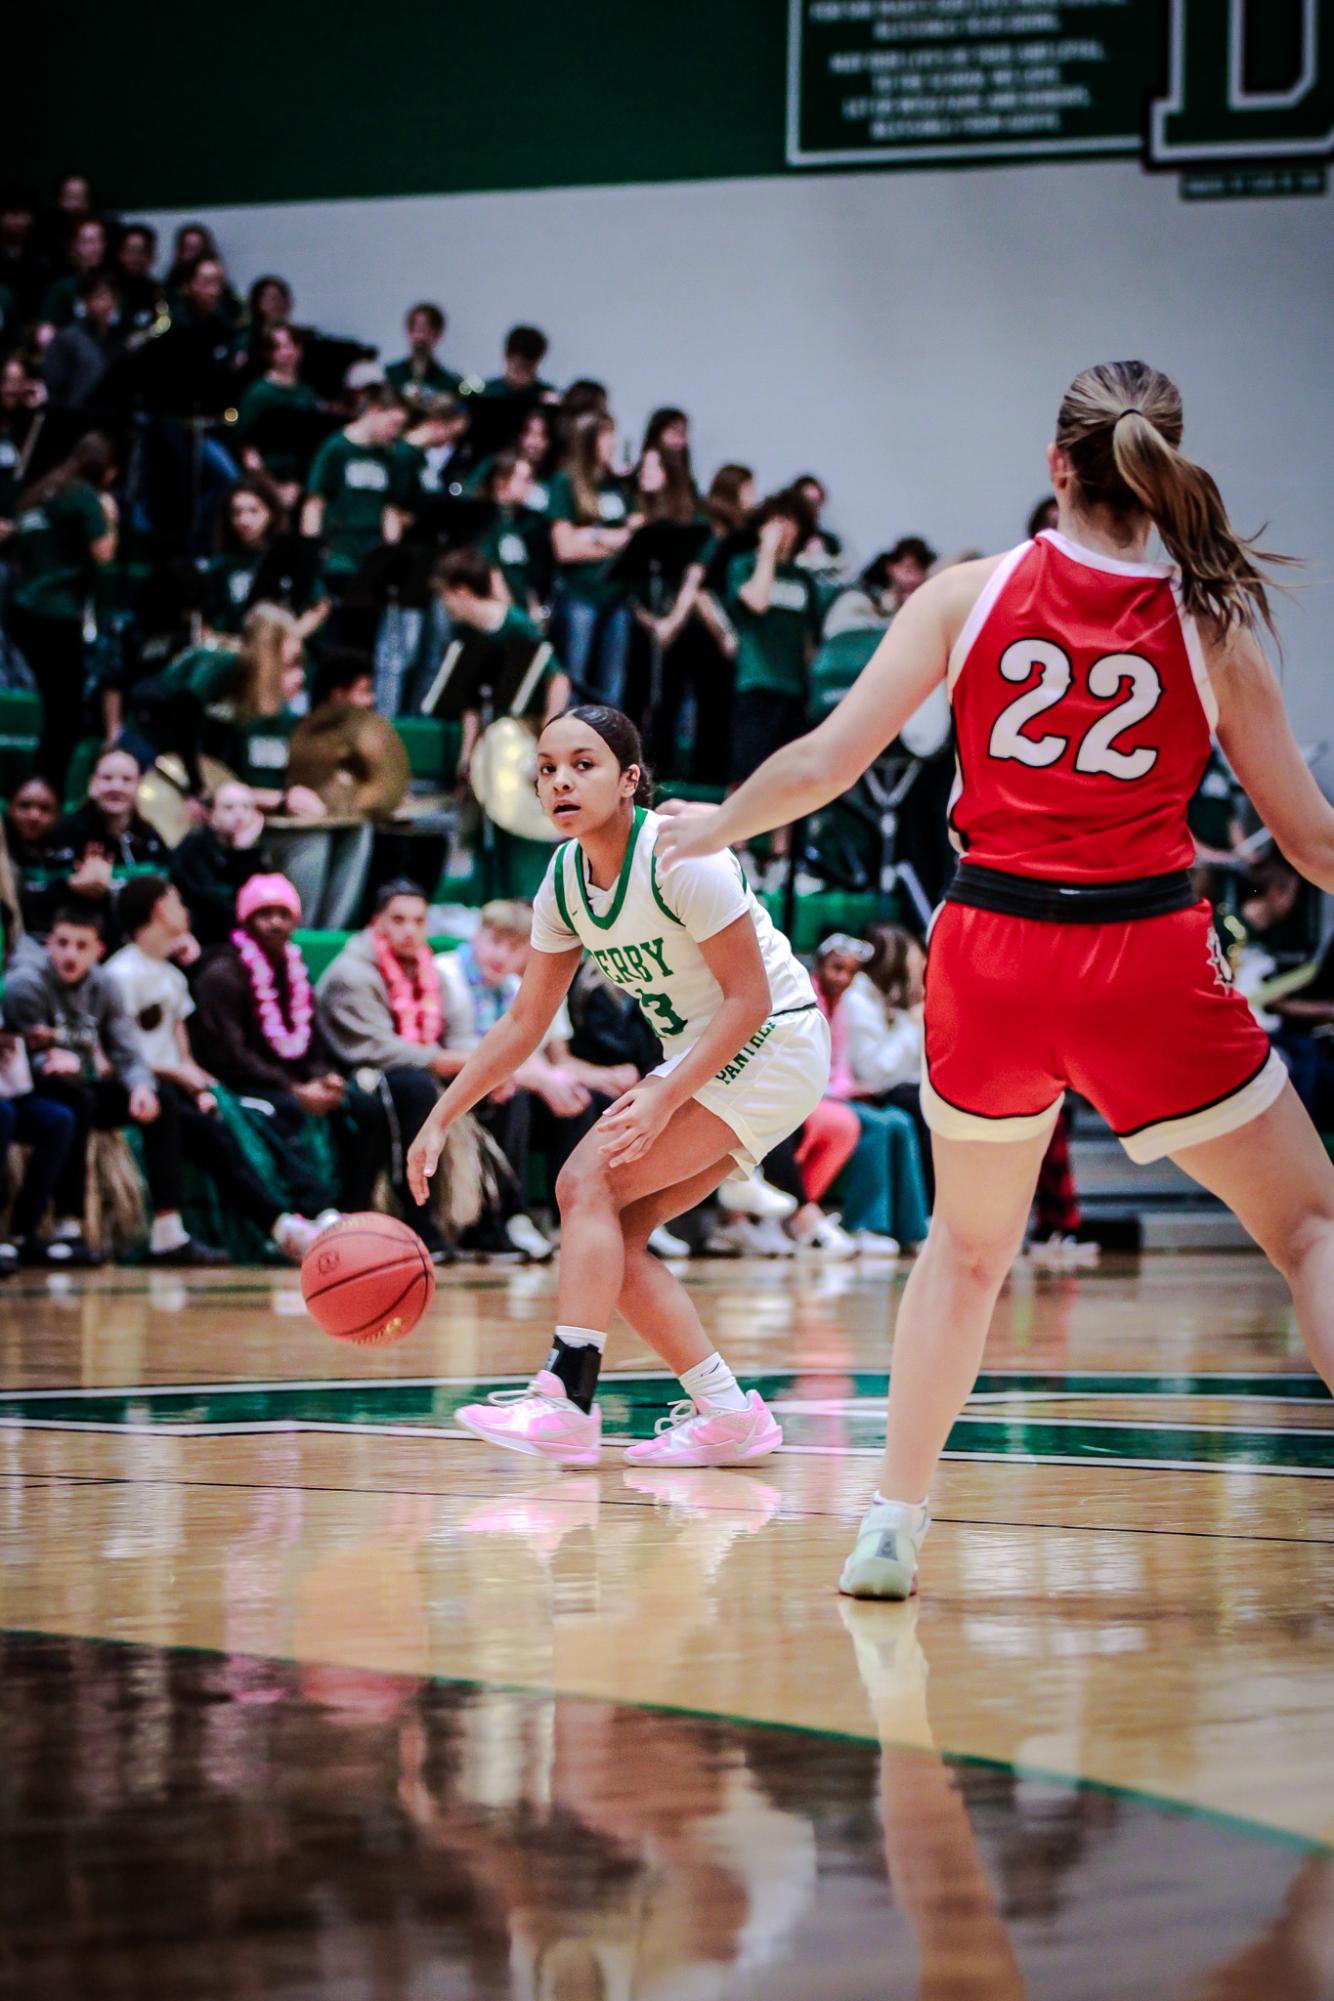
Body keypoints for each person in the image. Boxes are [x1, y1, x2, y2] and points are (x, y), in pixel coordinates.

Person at [656, 356, 1334, 1599]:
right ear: (1158, 469)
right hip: (1144, 949)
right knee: (1308, 1227)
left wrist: (715, 825)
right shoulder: (1211, 620)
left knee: (965, 1255)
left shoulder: (967, 593)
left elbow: (822, 763)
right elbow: (1307, 841)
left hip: (991, 950)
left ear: (1054, 467)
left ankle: (889, 1528)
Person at [406, 703, 830, 1467]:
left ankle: (567, 1398)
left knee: (582, 1181)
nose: (561, 779)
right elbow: (522, 1023)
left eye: (583, 763)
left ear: (631, 778)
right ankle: (728, 1414)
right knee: (616, 1235)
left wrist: (665, 1092)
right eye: (546, 768)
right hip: (714, 1053)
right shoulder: (565, 881)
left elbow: (750, 999)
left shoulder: (680, 854)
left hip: (773, 1035)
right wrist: (443, 1113)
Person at [104, 875, 329, 1263]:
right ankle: (278, 1225)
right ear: (159, 909)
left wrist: (202, 1086)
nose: (184, 908)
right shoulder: (120, 975)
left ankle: (297, 1218)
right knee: (214, 1130)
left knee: (240, 1117)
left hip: (176, 1090)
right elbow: (115, 1057)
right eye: (176, 900)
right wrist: (177, 1076)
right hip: (139, 1089)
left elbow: (183, 1053)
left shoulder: (173, 977)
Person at [2, 905, 212, 1266]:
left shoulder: (105, 986)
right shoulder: (26, 984)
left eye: (81, 946)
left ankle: (167, 1231)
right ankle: (68, 1226)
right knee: (75, 1103)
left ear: (99, 950)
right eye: (63, 943)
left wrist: (141, 1087)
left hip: (79, 1081)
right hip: (32, 1087)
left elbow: (126, 1052)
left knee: (161, 1101)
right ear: (49, 943)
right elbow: (19, 1051)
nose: (70, 954)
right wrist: (54, 1058)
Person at [191, 873, 376, 1222]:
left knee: (363, 1108)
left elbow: (313, 1044)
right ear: (246, 921)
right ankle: (316, 1211)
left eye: (283, 913)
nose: (275, 922)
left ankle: (356, 1208)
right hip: (242, 1084)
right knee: (282, 1108)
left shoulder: (295, 968)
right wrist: (295, 1088)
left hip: (296, 1079)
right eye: (265, 914)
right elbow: (231, 1057)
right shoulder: (222, 974)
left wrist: (325, 1078)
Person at [312, 882, 480, 1260]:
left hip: (418, 1071)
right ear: (377, 923)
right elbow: (375, 1048)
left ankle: (496, 1221)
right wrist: (444, 1060)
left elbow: (462, 1036)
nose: (410, 930)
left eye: (419, 921)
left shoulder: (432, 972)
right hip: (359, 1076)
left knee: (500, 1092)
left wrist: (476, 1067)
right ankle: (414, 1218)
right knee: (412, 1087)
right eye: (399, 920)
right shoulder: (350, 972)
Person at [6, 433, 118, 792]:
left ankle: (39, 786)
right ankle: (46, 790)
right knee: (65, 715)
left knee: (54, 709)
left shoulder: (37, 493)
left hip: (22, 608)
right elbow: (103, 553)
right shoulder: (83, 496)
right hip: (58, 614)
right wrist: (110, 517)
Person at [723, 488, 822, 882]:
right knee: (744, 772)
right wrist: (766, 553)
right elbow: (757, 602)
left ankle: (781, 859)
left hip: (792, 688)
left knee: (788, 777)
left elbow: (810, 643)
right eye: (776, 520)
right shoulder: (744, 565)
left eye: (791, 521)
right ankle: (739, 849)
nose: (784, 529)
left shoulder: (804, 581)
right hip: (755, 682)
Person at [812, 934, 929, 1255]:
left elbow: (840, 1066)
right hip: (812, 1095)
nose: (843, 978)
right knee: (876, 1125)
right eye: (836, 968)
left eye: (850, 971)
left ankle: (913, 1227)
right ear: (820, 965)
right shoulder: (814, 999)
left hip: (836, 1092)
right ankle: (866, 1224)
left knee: (899, 1121)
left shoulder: (843, 1002)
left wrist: (850, 1089)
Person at [433, 548, 568, 783]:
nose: (444, 605)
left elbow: (558, 680)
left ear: (462, 592)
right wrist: (466, 758)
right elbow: (469, 703)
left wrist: (546, 737)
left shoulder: (517, 625)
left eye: (446, 596)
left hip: (526, 727)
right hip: (493, 731)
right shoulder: (463, 634)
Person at [547, 413, 638, 707]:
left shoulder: (618, 487)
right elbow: (565, 548)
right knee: (576, 678)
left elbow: (633, 539)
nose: (612, 443)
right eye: (605, 436)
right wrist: (611, 539)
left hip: (616, 596)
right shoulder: (566, 482)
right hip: (581, 595)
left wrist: (591, 536)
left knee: (613, 686)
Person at [47, 745, 171, 949]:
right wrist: (71, 886)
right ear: (92, 784)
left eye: (126, 780)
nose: (116, 786)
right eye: (107, 778)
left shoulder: (150, 838)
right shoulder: (66, 833)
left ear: (139, 785)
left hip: (140, 947)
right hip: (82, 950)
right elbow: (37, 899)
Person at [301, 385, 411, 588]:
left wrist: (391, 553)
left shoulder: (390, 456)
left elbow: (391, 509)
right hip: (339, 547)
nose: (395, 433)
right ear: (376, 410)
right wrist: (311, 552)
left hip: (372, 549)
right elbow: (315, 502)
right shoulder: (336, 448)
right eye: (393, 424)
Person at [168, 779, 268, 947]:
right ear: (211, 815)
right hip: (203, 941)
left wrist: (243, 852)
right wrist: (241, 854)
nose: (239, 815)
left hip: (243, 940)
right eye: (228, 808)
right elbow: (211, 904)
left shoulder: (253, 852)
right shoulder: (192, 849)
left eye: (246, 807)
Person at [235, 325, 322, 496]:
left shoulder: (308, 394)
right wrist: (273, 489)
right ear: (268, 353)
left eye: (291, 345)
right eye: (279, 347)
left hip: (301, 483)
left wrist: (299, 485)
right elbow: (249, 453)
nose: (287, 352)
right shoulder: (258, 393)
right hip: (265, 485)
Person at [39, 270, 123, 411]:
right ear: (85, 300)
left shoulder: (120, 338)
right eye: (99, 296)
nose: (106, 302)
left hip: (111, 418)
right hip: (74, 419)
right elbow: (53, 388)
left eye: (111, 296)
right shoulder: (67, 338)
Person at [5, 775, 65, 939]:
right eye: (24, 806)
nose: (34, 815)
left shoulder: (69, 850)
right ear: (10, 807)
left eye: (45, 808)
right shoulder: (3, 853)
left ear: (58, 813)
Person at [385, 303, 464, 399]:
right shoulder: (390, 375)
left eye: (425, 330)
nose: (419, 337)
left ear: (438, 334)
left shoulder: (449, 383)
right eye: (415, 329)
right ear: (408, 332)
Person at [483, 325, 553, 400]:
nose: (522, 375)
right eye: (518, 368)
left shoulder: (547, 397)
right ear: (507, 357)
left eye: (527, 368)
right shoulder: (485, 394)